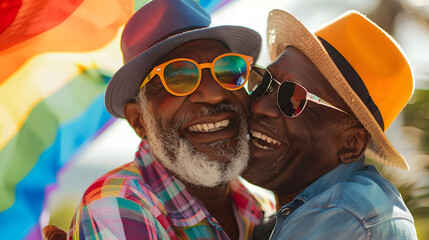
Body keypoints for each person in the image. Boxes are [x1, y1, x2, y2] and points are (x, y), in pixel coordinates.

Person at [66, 0, 272, 239]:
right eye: (179, 76)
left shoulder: (259, 207)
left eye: (228, 70)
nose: (215, 94)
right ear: (139, 120)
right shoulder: (118, 203)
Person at [242, 9, 418, 239]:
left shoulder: (341, 216)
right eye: (264, 81)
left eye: (292, 97)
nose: (259, 106)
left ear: (351, 144)